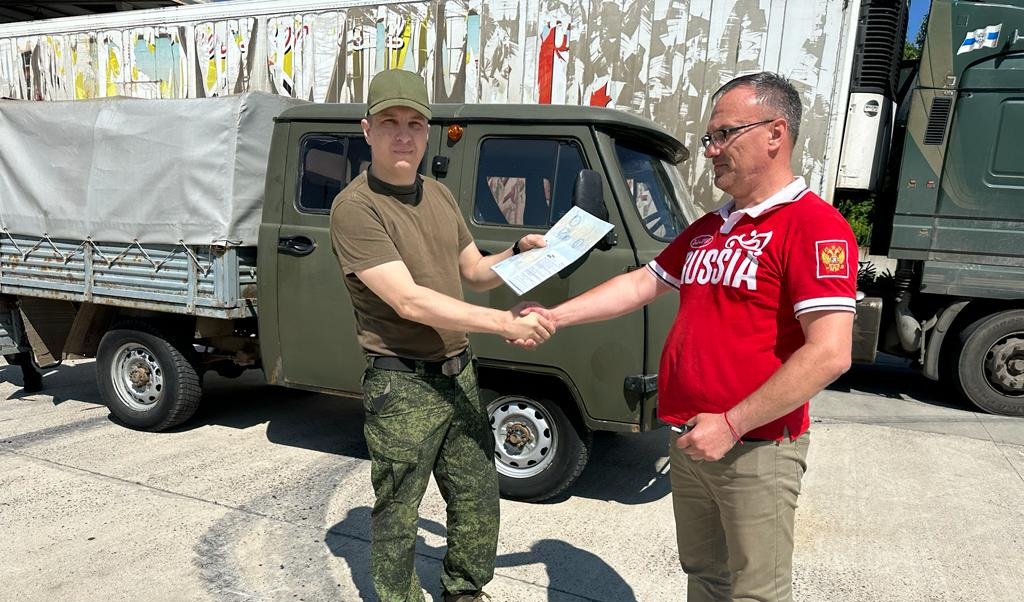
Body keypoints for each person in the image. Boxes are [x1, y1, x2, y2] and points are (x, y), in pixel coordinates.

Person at [524, 72, 857, 601]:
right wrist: (555, 317)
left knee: (756, 592)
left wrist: (732, 423)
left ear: (775, 133)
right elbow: (641, 283)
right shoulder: (710, 228)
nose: (711, 150)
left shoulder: (813, 225)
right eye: (710, 137)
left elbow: (830, 352)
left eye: (725, 134)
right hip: (692, 439)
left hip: (755, 448)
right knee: (703, 574)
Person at [329, 69, 553, 602]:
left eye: (414, 123)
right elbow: (408, 300)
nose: (403, 135)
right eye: (389, 122)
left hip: (458, 372)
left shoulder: (439, 195)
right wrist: (504, 324)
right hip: (402, 384)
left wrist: (516, 252)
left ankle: (464, 591)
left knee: (477, 495)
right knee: (399, 511)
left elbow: (474, 271)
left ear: (427, 132)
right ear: (367, 129)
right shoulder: (355, 208)